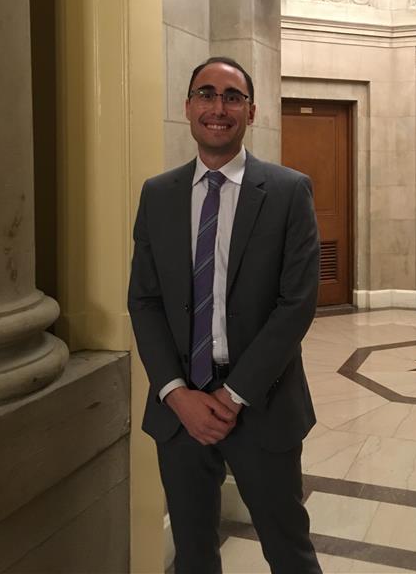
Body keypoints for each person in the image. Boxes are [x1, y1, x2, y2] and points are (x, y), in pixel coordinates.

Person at [128, 57, 322, 574]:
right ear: (188, 106)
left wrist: (233, 396)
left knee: (289, 551)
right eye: (206, 94)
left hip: (263, 403)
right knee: (193, 555)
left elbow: (297, 304)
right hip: (180, 412)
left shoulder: (288, 192)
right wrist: (175, 393)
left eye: (232, 97)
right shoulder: (157, 195)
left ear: (251, 112)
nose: (218, 107)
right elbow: (144, 300)